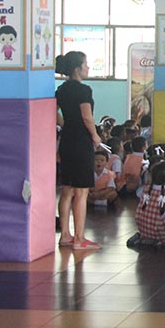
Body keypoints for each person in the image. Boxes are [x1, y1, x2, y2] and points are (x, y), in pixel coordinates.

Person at [55, 51, 102, 251]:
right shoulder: (84, 90)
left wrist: (65, 124)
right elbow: (87, 116)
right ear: (77, 68)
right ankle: (79, 238)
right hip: (81, 141)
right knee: (81, 191)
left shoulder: (61, 90)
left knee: (67, 189)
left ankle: (65, 235)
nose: (88, 67)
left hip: (66, 140)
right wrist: (95, 135)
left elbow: (53, 111)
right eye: (85, 64)